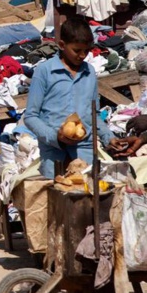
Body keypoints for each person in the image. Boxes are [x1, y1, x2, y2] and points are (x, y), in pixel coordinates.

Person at [24, 16, 113, 178]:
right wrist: (55, 137)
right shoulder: (44, 71)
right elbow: (30, 117)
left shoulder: (90, 72)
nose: (82, 56)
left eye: (86, 51)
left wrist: (109, 138)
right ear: (62, 45)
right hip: (53, 153)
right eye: (77, 50)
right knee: (58, 196)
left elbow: (95, 115)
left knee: (87, 195)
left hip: (84, 151)